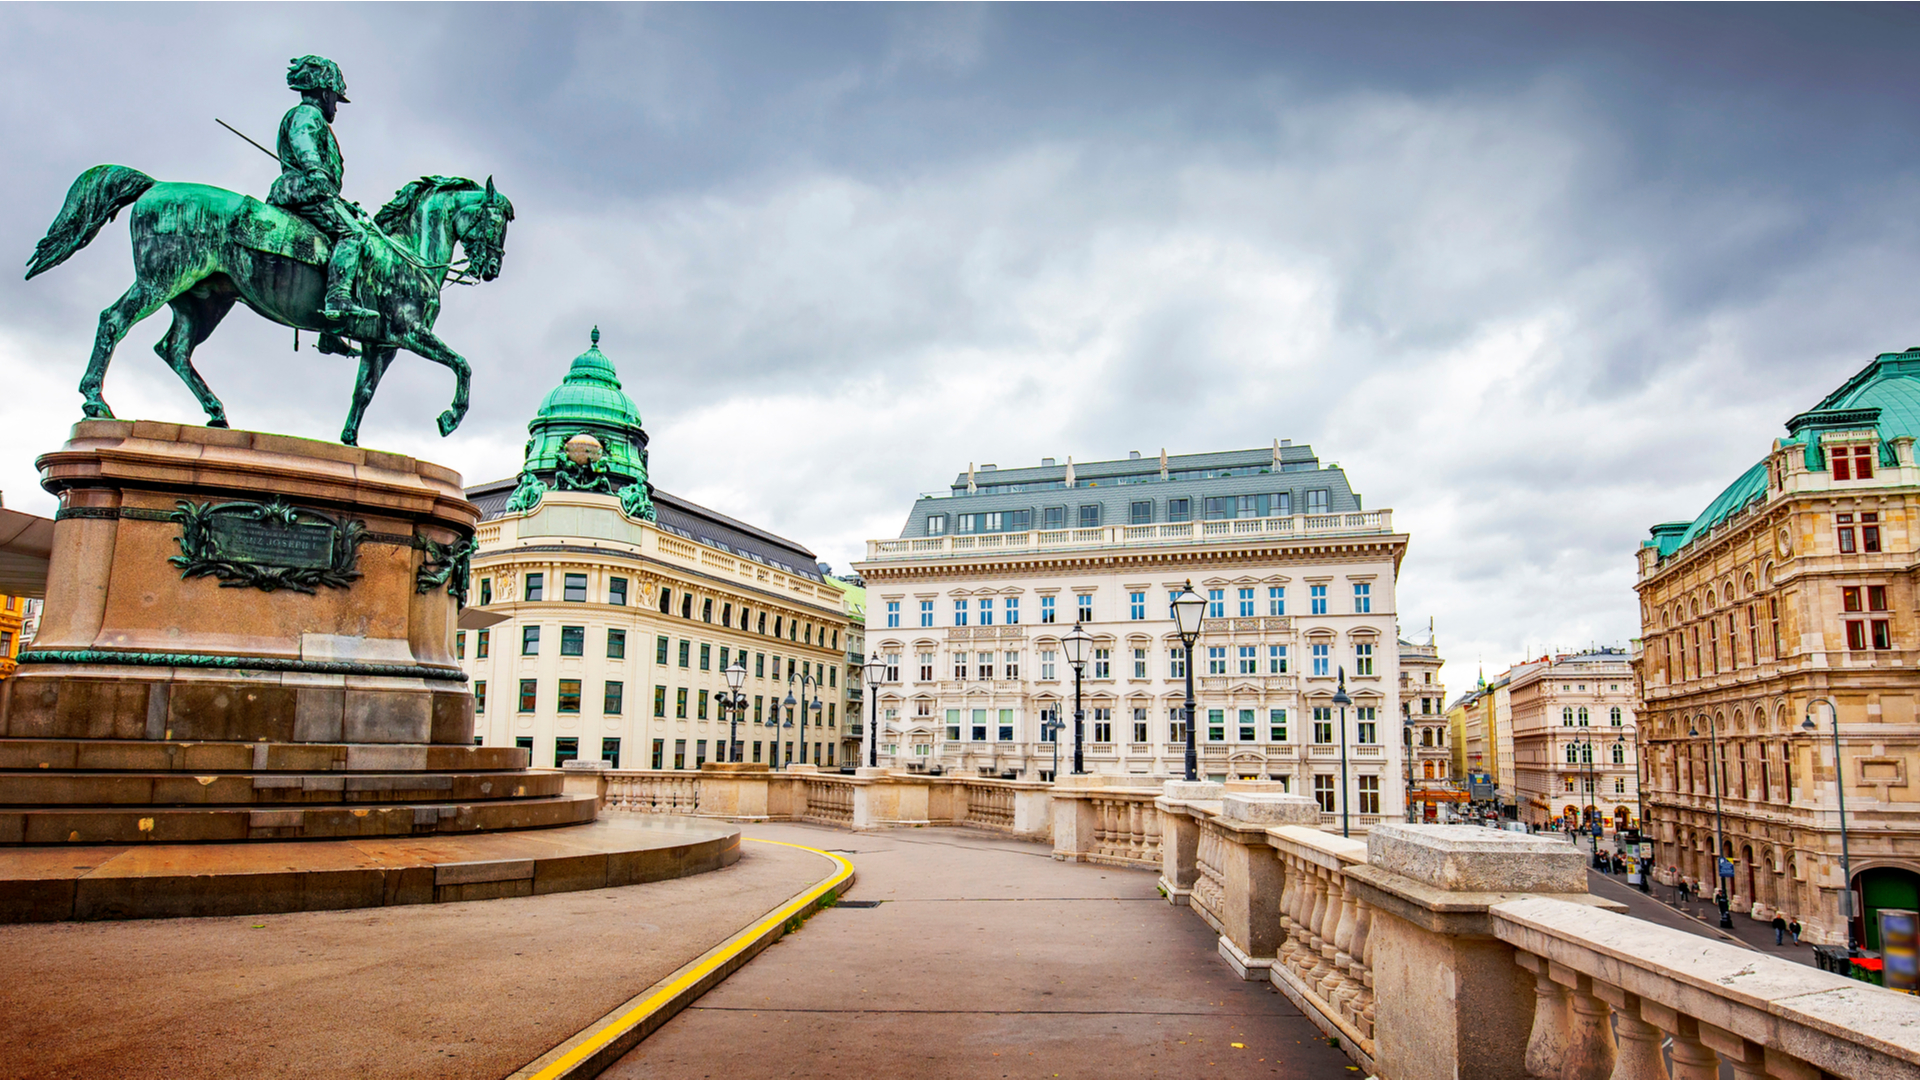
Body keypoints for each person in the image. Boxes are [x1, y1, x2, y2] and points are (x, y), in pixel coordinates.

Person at [267, 55, 378, 356]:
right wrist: (315, 171)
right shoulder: (307, 115)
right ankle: (338, 300)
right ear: (325, 92)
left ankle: (330, 332)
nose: (336, 107)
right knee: (353, 235)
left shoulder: (308, 115)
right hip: (304, 189)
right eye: (336, 99)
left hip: (313, 190)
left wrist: (338, 200)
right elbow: (304, 143)